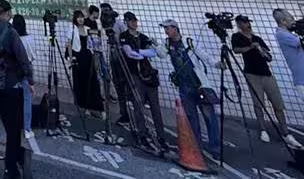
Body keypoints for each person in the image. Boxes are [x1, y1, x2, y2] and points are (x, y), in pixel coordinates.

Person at [0, 0, 34, 179]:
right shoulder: (11, 32)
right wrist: (30, 80)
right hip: (12, 85)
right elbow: (23, 58)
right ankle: (10, 168)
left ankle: (18, 156)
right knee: (14, 128)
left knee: (9, 124)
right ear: (8, 13)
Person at [231, 15, 302, 148]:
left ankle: (285, 133)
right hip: (251, 73)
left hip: (266, 73)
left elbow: (269, 56)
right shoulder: (237, 37)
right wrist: (250, 47)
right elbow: (236, 50)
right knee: (258, 103)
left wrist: (263, 52)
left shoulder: (257, 38)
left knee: (278, 103)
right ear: (239, 24)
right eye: (245, 23)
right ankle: (263, 129)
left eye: (248, 22)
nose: (248, 25)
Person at [156, 19, 221, 156]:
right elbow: (161, 55)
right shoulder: (167, 43)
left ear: (175, 28)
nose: (166, 31)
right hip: (184, 86)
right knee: (192, 119)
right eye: (165, 28)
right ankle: (196, 147)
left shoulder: (188, 41)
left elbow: (204, 56)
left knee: (210, 117)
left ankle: (215, 147)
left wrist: (217, 64)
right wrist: (156, 45)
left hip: (200, 85)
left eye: (168, 28)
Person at [118, 12, 168, 150]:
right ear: (126, 22)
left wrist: (140, 51)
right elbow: (129, 53)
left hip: (147, 73)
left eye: (135, 20)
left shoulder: (144, 37)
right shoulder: (124, 36)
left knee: (155, 106)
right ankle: (142, 134)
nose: (134, 23)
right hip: (134, 74)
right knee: (138, 104)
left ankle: (161, 136)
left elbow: (155, 53)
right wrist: (142, 52)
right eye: (131, 21)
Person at [66, 10, 105, 119]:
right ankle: (84, 108)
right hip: (78, 59)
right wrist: (71, 58)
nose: (80, 19)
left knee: (93, 83)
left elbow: (95, 45)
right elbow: (69, 45)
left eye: (82, 17)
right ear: (75, 19)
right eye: (78, 17)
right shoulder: (72, 29)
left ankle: (97, 108)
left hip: (89, 58)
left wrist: (96, 60)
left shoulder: (88, 29)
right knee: (81, 83)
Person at [100, 3, 130, 127]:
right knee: (117, 83)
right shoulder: (104, 25)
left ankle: (131, 110)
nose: (105, 15)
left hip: (122, 56)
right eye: (103, 12)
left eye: (107, 11)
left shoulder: (119, 24)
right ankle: (123, 113)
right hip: (112, 56)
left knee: (127, 83)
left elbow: (127, 38)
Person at [13, 14, 37, 139]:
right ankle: (27, 129)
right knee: (27, 99)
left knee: (14, 99)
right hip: (26, 71)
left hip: (13, 71)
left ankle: (14, 125)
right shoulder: (29, 39)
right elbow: (32, 57)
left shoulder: (12, 38)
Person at [272, 9, 304, 97]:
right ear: (283, 21)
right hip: (302, 79)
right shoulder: (281, 34)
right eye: (291, 19)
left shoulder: (290, 33)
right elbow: (300, 42)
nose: (293, 22)